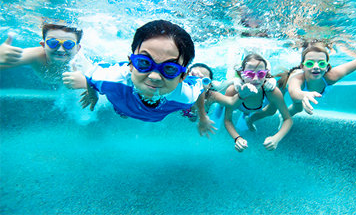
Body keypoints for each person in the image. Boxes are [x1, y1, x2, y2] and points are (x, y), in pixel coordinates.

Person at [61, 20, 216, 137]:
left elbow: (200, 87)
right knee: (121, 112)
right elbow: (90, 75)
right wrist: (92, 93)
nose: (154, 77)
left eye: (169, 68)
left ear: (183, 76)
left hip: (152, 113)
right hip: (121, 106)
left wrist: (203, 117)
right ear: (130, 63)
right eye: (144, 62)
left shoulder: (185, 95)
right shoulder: (110, 78)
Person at [246, 43, 356, 123]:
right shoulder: (298, 78)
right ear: (302, 66)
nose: (316, 67)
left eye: (321, 63)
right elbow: (294, 91)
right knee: (270, 111)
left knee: (297, 108)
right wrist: (303, 95)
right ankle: (249, 120)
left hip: (304, 93)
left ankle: (284, 118)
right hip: (285, 84)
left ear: (327, 66)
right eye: (310, 63)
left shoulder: (332, 76)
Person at [222, 53, 293, 151]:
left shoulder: (272, 92)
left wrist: (276, 138)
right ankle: (245, 114)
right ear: (242, 74)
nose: (255, 79)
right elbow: (227, 120)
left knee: (272, 111)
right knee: (222, 103)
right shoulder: (232, 90)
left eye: (261, 74)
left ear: (265, 74)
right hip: (238, 105)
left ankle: (250, 120)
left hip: (260, 105)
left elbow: (288, 119)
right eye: (250, 74)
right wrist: (237, 138)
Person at [0, 22, 91, 83]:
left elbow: (102, 85)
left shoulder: (82, 65)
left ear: (78, 48)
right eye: (53, 43)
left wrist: (86, 85)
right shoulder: (35, 55)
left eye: (68, 44)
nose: (60, 49)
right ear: (43, 45)